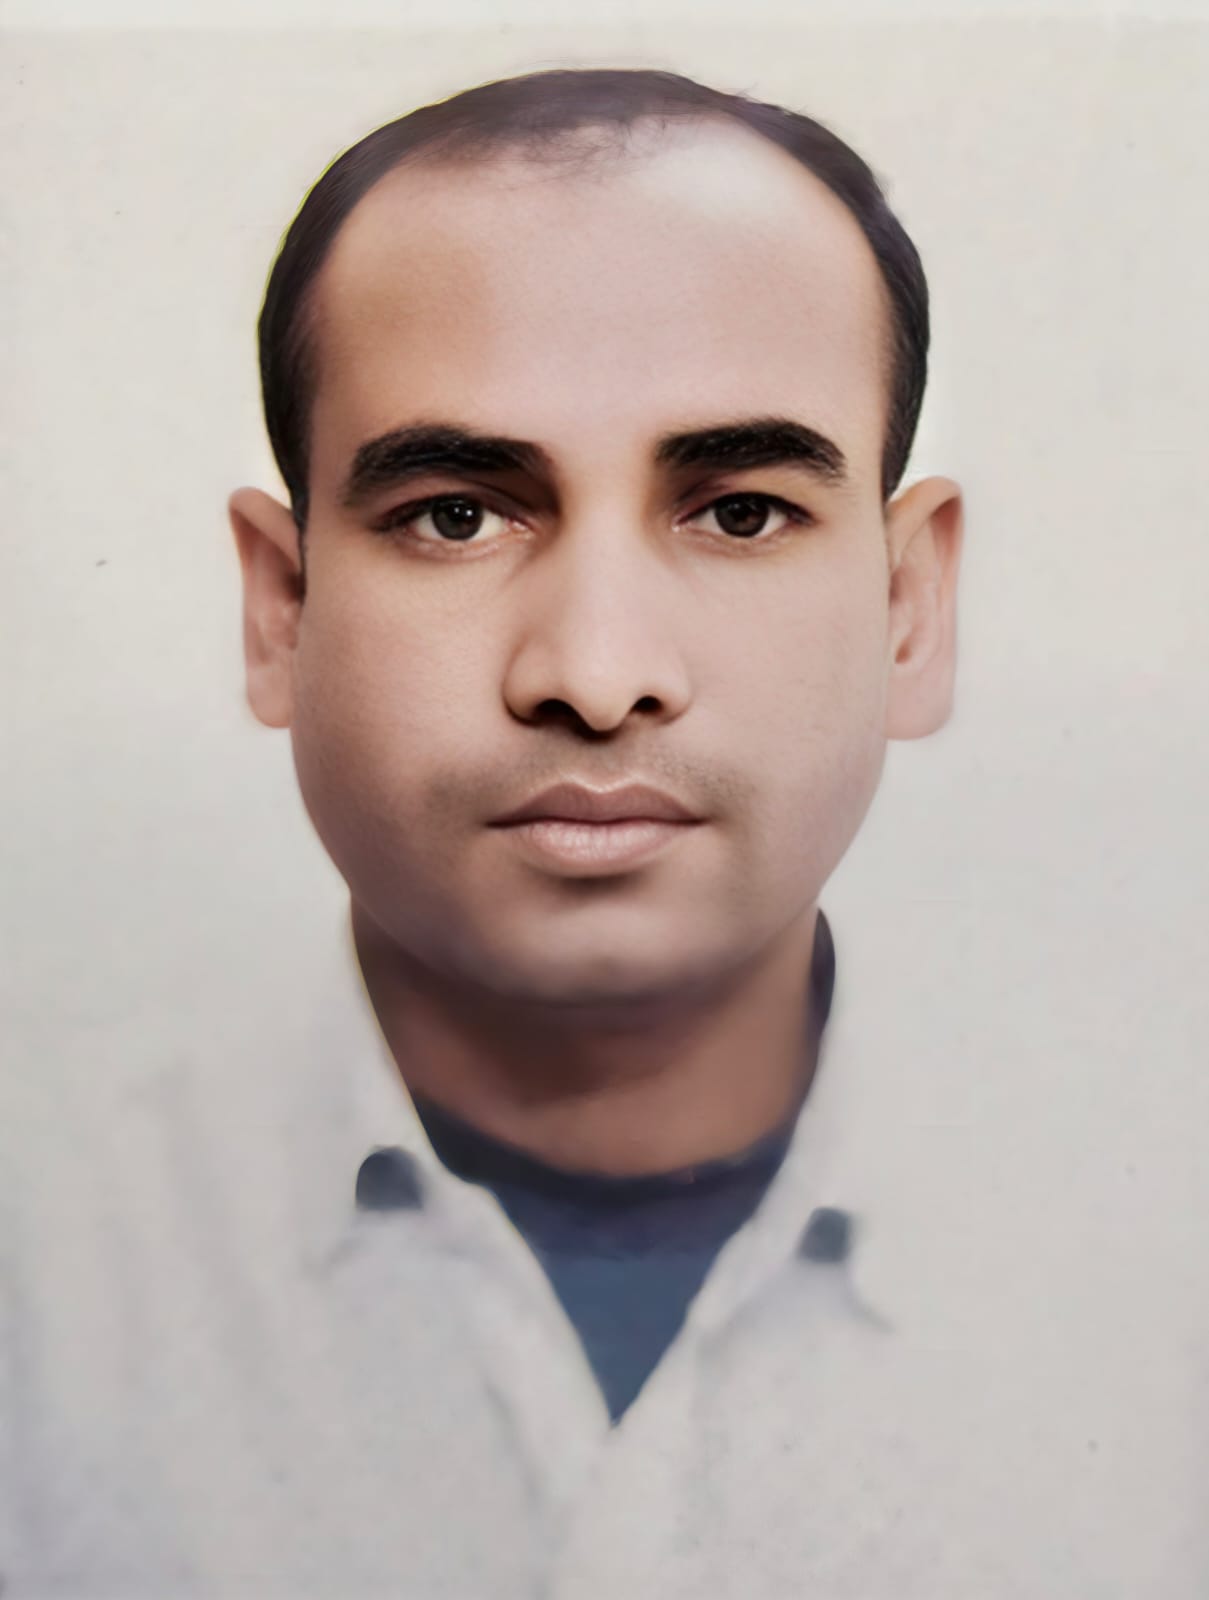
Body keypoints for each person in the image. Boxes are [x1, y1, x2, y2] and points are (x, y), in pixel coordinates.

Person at [5, 64, 1196, 1599]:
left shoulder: (1162, 1261)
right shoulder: (39, 1265)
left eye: (739, 512)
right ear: (280, 608)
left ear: (909, 611)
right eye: (455, 514)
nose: (593, 671)